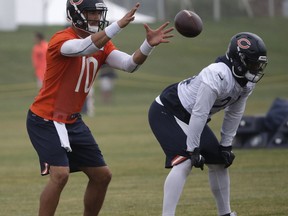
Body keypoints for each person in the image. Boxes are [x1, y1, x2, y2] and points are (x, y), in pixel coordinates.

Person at [26, 0, 174, 215]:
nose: (96, 17)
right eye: (90, 12)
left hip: (73, 120)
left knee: (102, 176)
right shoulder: (61, 39)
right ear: (74, 15)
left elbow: (129, 64)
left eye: (98, 13)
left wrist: (148, 45)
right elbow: (85, 47)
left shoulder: (102, 43)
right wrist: (118, 26)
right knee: (60, 175)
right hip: (45, 119)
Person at [148, 32, 268, 216]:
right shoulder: (217, 74)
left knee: (219, 161)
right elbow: (200, 112)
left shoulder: (246, 83)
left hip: (193, 116)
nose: (255, 68)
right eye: (252, 63)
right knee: (184, 162)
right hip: (167, 110)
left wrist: (226, 145)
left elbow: (234, 112)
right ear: (239, 59)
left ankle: (225, 213)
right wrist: (192, 148)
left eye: (257, 64)